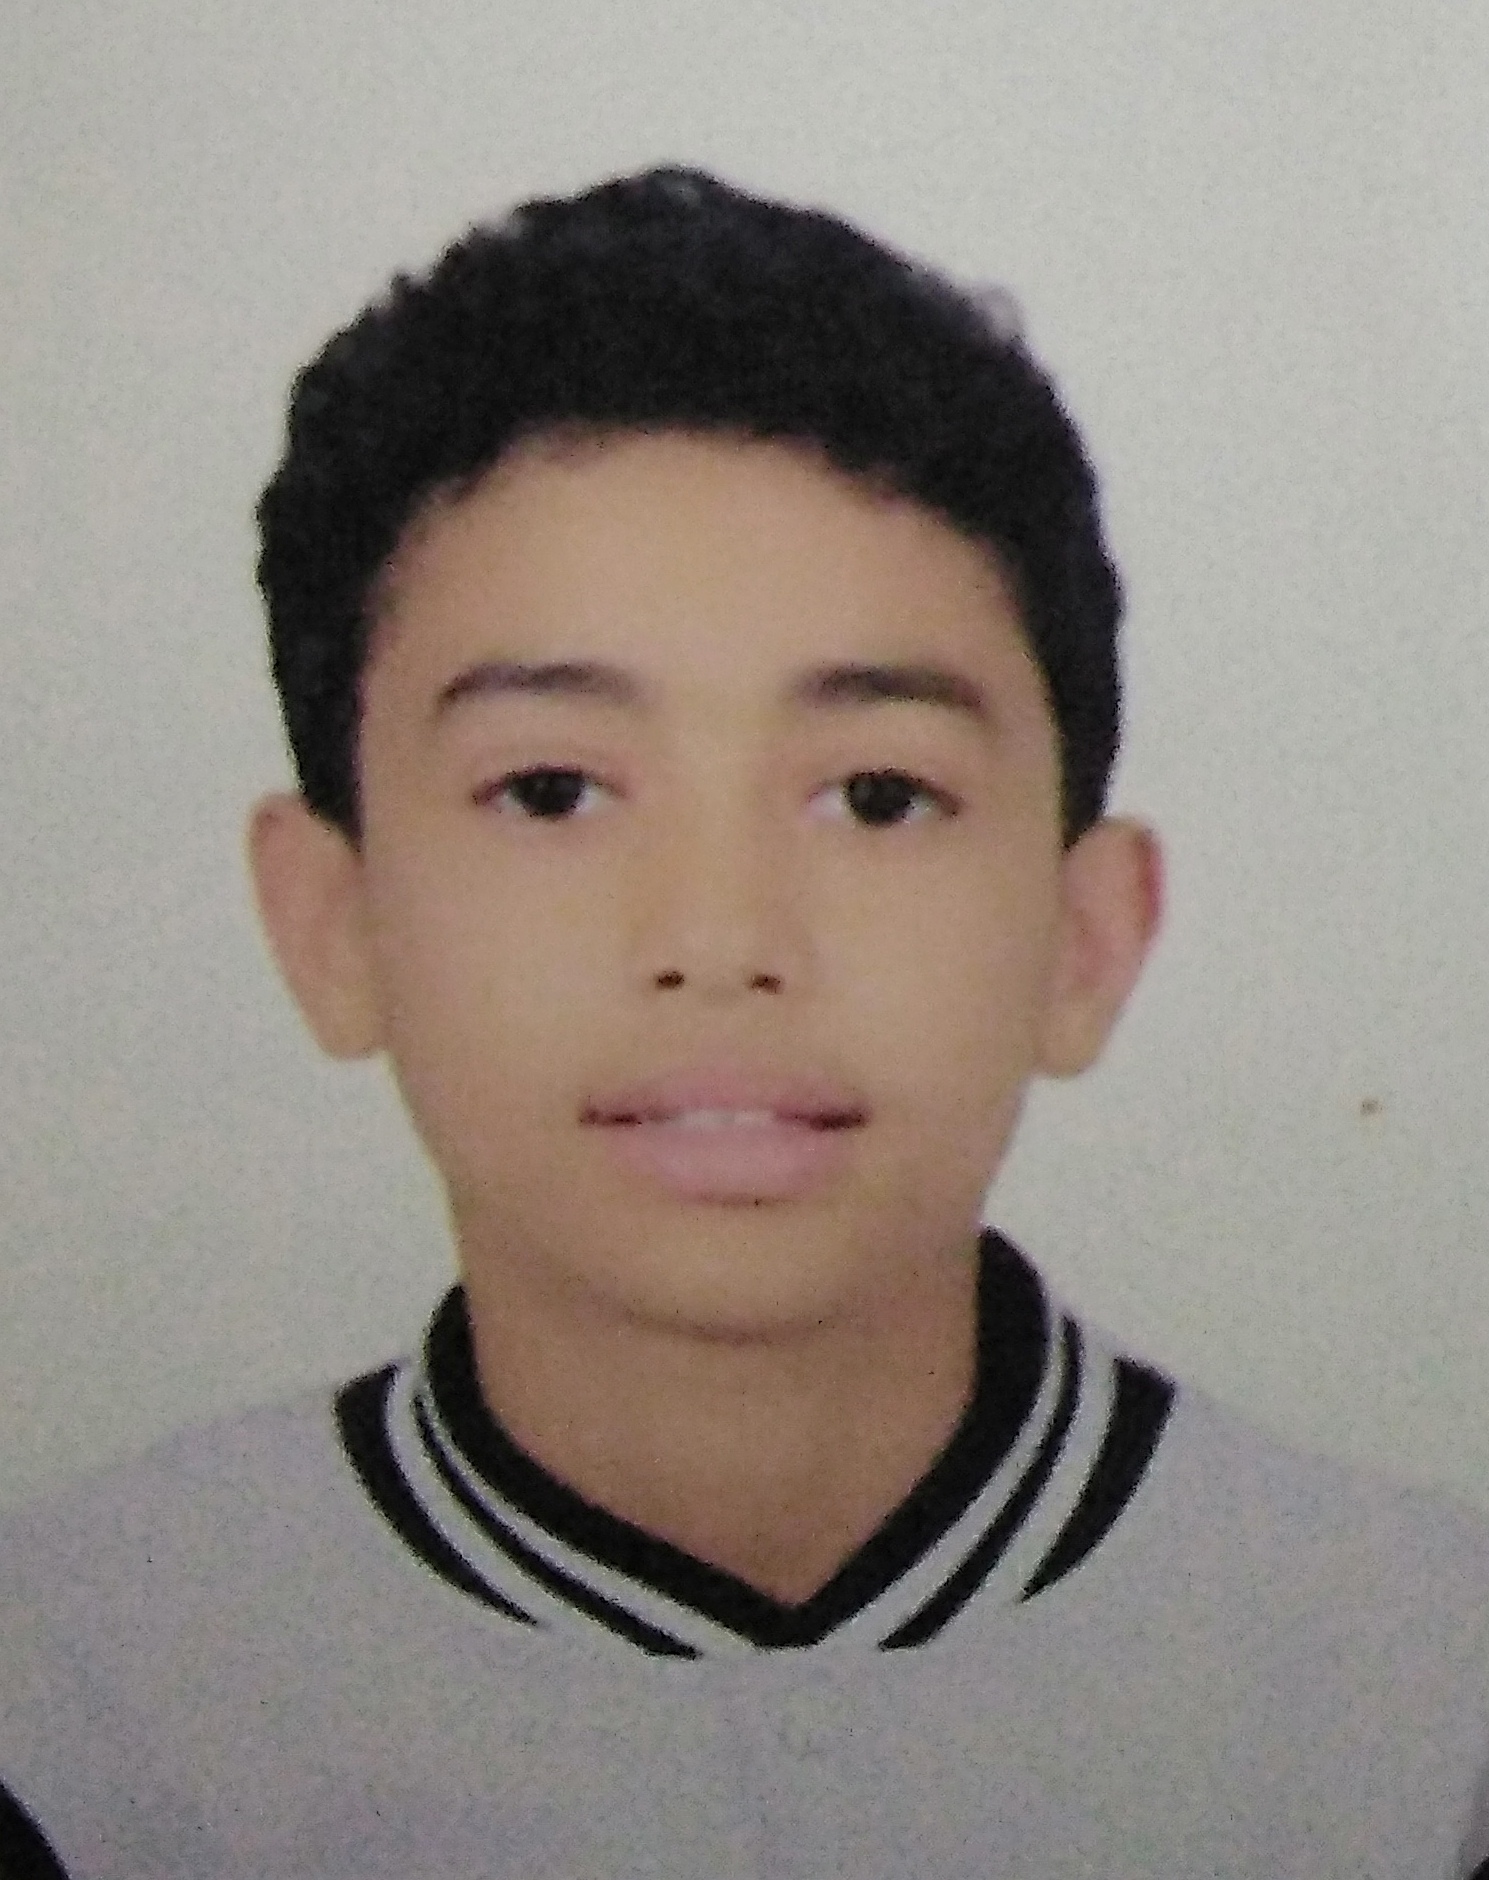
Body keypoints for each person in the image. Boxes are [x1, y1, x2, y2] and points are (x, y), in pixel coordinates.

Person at [2, 165, 1487, 1880]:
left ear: (1086, 939)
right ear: (330, 921)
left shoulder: (1422, 1713)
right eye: (551, 790)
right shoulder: (79, 1714)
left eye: (876, 795)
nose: (719, 940)